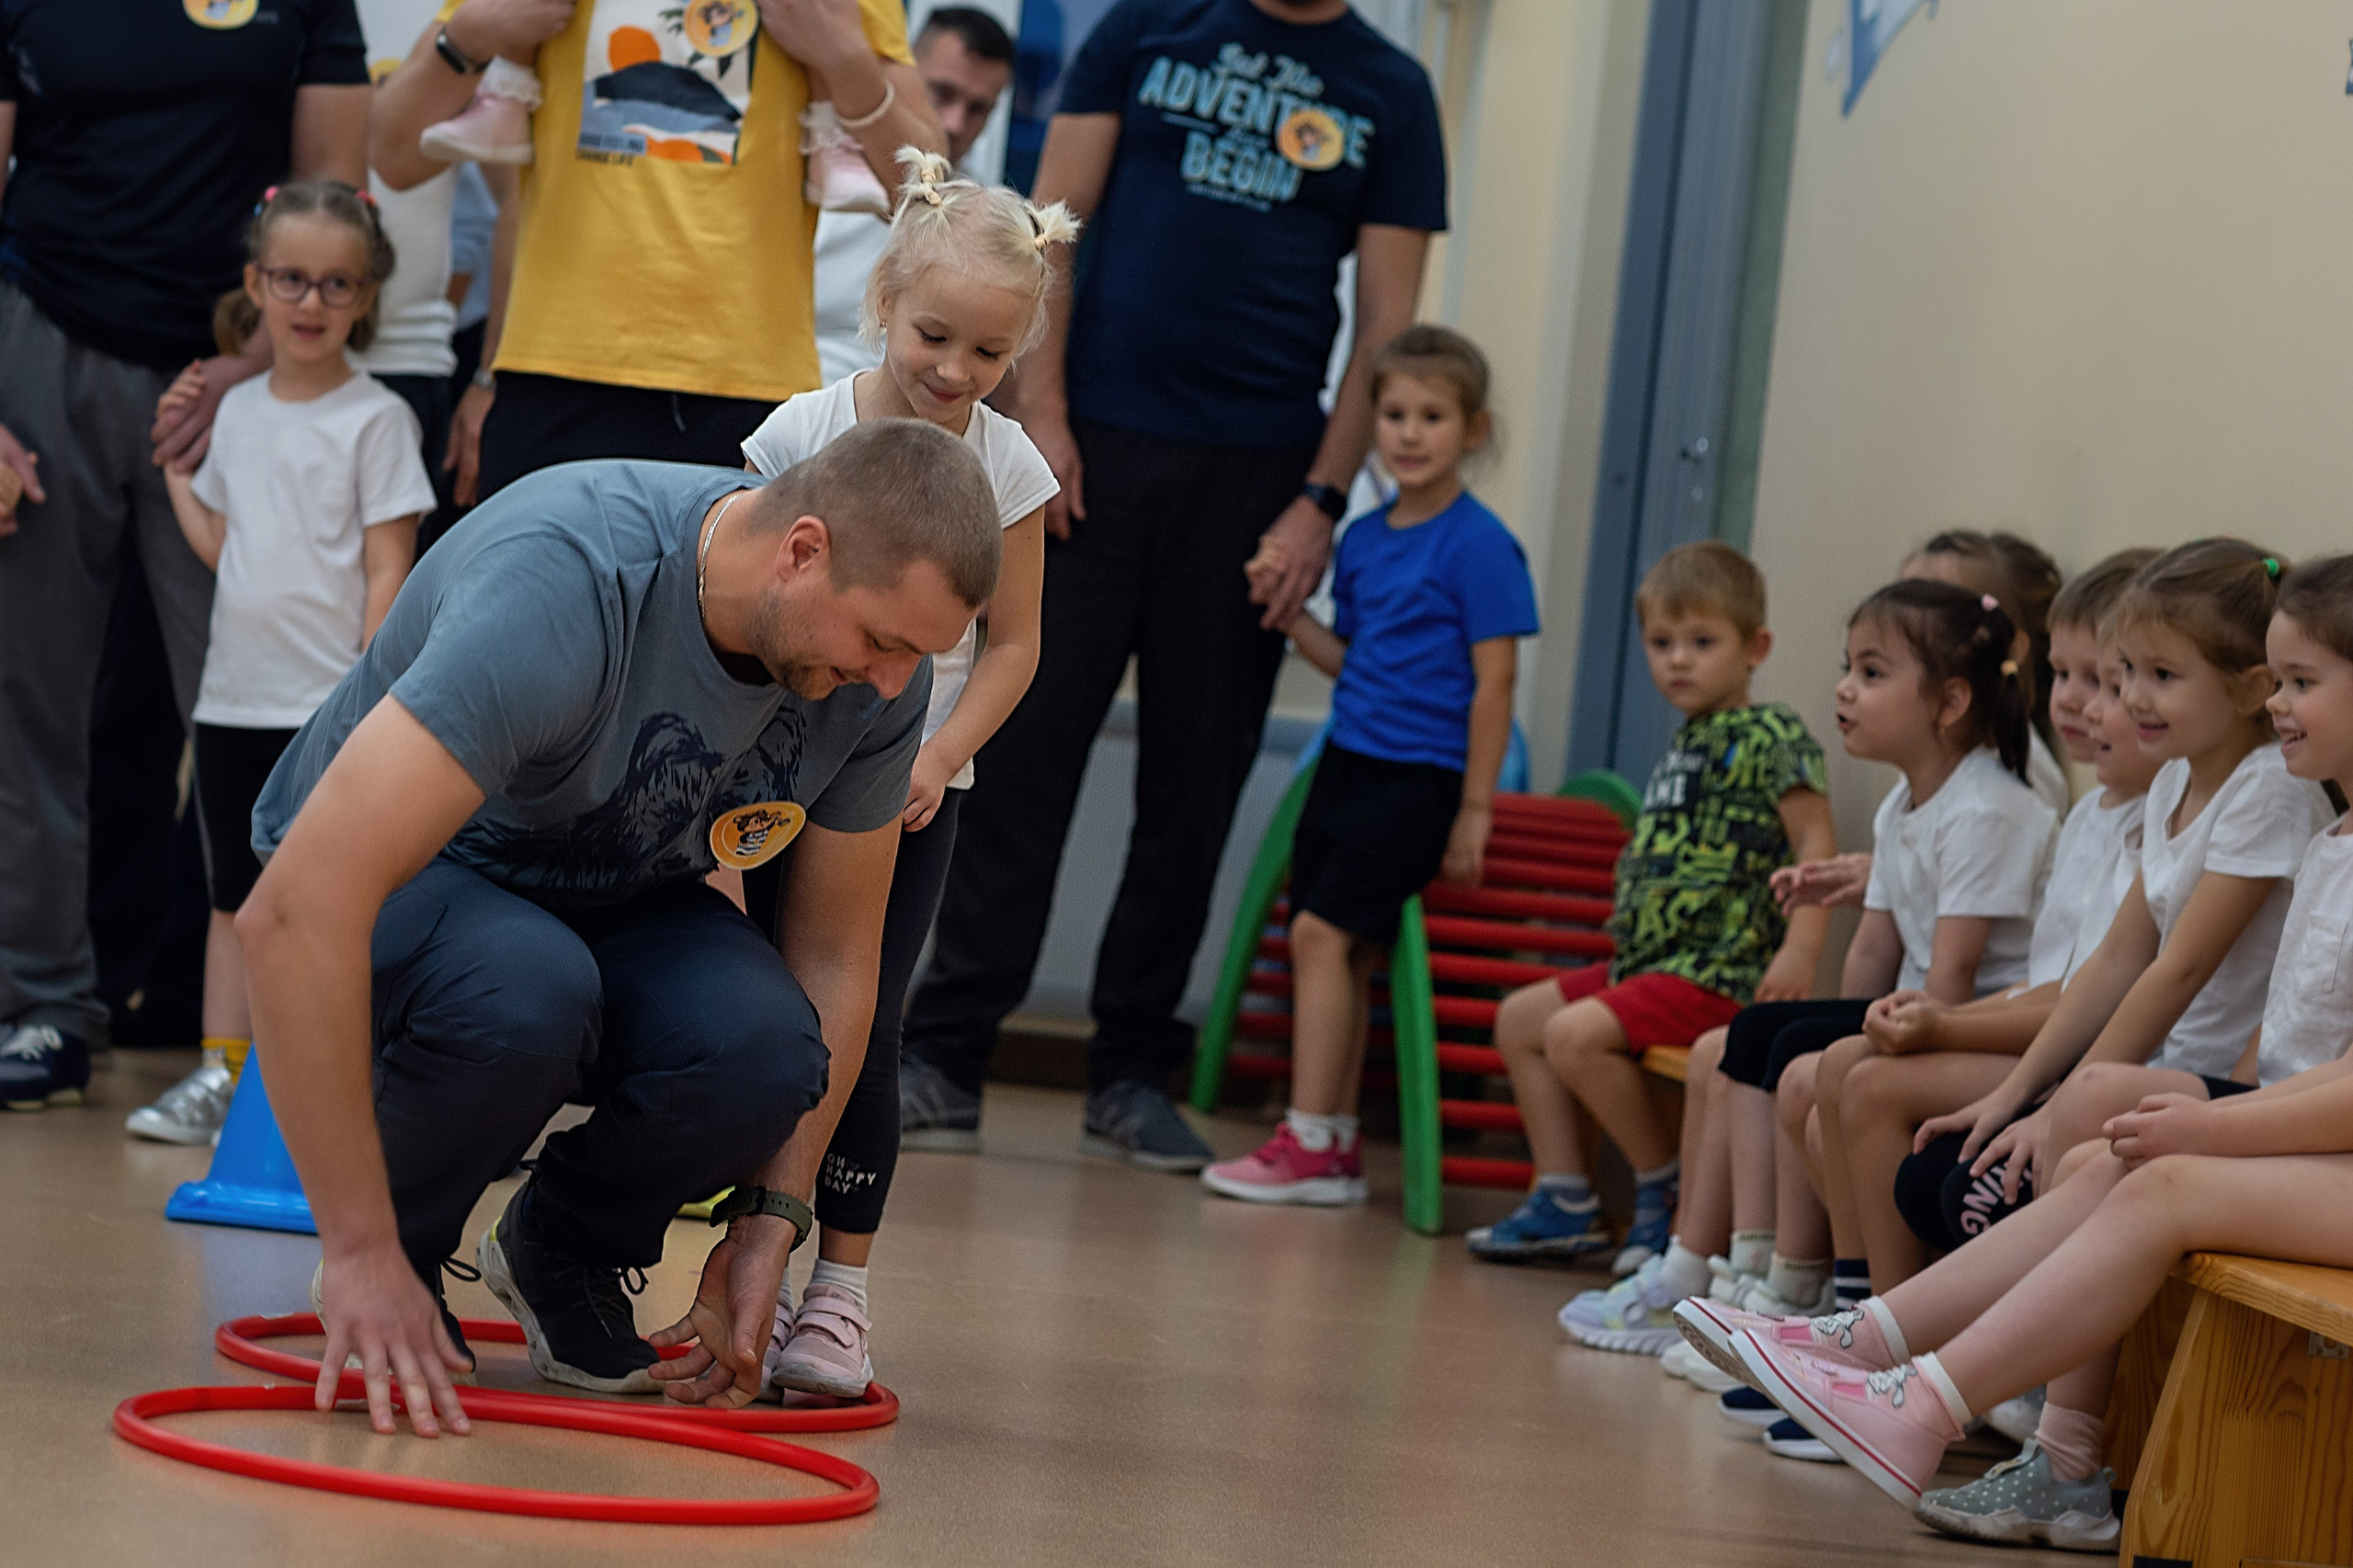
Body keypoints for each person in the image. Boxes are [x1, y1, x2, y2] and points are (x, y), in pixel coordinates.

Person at [239, 419, 998, 1436]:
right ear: (803, 549)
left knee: (768, 1044)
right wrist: (363, 1242)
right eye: (883, 641)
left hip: (611, 884)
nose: (897, 683)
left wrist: (767, 1223)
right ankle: (401, 1252)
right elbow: (293, 907)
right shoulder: (570, 579)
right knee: (529, 990)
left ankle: (564, 1245)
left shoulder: (873, 683)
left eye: (922, 656)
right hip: (413, 873)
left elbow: (832, 955)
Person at [1687, 555, 2353, 1546]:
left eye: (2301, 682)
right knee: (2102, 1150)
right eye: (2277, 677)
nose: (2278, 701)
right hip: (2308, 1139)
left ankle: (1918, 1397)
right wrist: (2046, 1098)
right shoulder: (2334, 835)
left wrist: (2213, 1120)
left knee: (2156, 1170)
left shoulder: (2284, 807)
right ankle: (1886, 1350)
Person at [901, 0, 1449, 1173]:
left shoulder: (1391, 91)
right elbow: (1048, 236)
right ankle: (944, 1054)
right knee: (1024, 753)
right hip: (1090, 442)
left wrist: (1320, 499)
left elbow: (1389, 326)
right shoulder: (1146, 30)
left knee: (1192, 787)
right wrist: (1038, 420)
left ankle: (1132, 1068)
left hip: (1260, 478)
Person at [735, 150, 1070, 1400]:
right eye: (936, 334)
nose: (955, 371)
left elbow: (1019, 642)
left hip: (915, 789)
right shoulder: (803, 431)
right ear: (884, 301)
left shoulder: (1012, 465)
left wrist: (937, 752)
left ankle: (839, 1295)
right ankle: (737, 1262)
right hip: (774, 780)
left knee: (860, 1017)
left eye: (988, 354)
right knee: (755, 1007)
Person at [0, 0, 369, 1102]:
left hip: (232, 373)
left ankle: (278, 1033)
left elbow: (331, 195)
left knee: (271, 707)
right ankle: (39, 1007)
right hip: (41, 345)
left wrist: (255, 357)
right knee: (29, 705)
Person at [1194, 326, 1535, 1206]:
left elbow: (1495, 683)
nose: (1409, 434)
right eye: (1393, 414)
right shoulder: (1367, 539)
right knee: (1336, 946)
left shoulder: (1482, 545)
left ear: (1473, 429)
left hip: (1421, 776)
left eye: (1431, 416)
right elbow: (1356, 660)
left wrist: (1475, 807)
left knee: (1321, 935)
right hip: (1347, 760)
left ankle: (1307, 1140)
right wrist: (1288, 609)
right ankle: (1333, 1144)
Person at [120, 183, 433, 1141]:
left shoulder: (377, 420)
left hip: (325, 709)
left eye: (335, 283)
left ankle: (354, 1082)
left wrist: (363, 692)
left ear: (367, 296)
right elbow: (224, 548)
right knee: (232, 897)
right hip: (232, 703)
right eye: (290, 279)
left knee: (336, 898)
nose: (310, 301)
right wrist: (176, 471)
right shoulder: (241, 411)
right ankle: (224, 1078)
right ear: (256, 283)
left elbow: (392, 563)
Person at [1905, 540, 2329, 1229]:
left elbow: (2178, 969)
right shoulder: (2169, 781)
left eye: (2161, 674)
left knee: (1966, 1194)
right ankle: (1881, 1330)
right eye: (2127, 670)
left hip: (2207, 1081)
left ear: (2252, 688)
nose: (2131, 696)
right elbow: (2117, 957)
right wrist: (2018, 1095)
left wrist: (2062, 1111)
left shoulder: (2270, 792)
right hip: (2152, 1070)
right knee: (1933, 1178)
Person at [1479, 544, 1833, 1355]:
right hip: (1651, 966)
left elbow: (1815, 837)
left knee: (1574, 1034)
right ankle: (1567, 1197)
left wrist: (1801, 948)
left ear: (1756, 648)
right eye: (1662, 643)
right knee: (1520, 1019)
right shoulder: (1689, 738)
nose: (1678, 661)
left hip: (1718, 966)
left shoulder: (1770, 732)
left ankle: (1655, 1185)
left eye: (1702, 642)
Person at [368, 0, 945, 497]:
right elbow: (395, 155)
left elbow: (930, 194)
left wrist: (844, 62)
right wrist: (473, 32)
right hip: (554, 367)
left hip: (747, 384)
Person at [1809, 551, 2158, 1289]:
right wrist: (1933, 1025)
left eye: (2105, 681)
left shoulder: (2025, 807)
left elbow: (2091, 999)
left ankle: (1884, 1337)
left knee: (1864, 1089)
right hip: (2055, 1047)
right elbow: (2060, 984)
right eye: (2064, 675)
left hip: (2107, 1068)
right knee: (1829, 1074)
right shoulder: (2094, 815)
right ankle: (1850, 1318)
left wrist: (1944, 1027)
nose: (2078, 703)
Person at [1722, 582, 2058, 1327]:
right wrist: (1853, 1024)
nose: (1844, 688)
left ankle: (1849, 1303)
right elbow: (1873, 949)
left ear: (1950, 702)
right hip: (1925, 1009)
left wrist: (1880, 1045)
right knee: (1774, 1046)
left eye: (1871, 674)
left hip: (1976, 1021)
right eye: (1850, 668)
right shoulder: (1901, 801)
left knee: (1826, 1073)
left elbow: (1954, 975)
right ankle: (1806, 1286)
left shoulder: (1987, 810)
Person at [813, 6, 1017, 387]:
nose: (955, 123)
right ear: (905, 75)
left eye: (977, 109)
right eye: (943, 93)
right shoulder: (826, 170)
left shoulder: (983, 220)